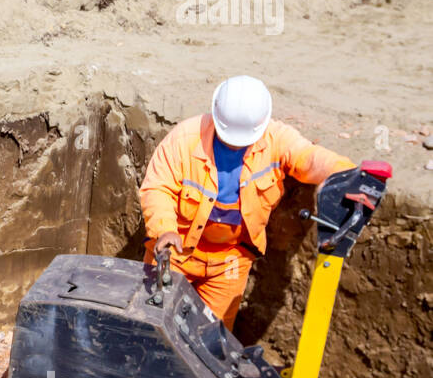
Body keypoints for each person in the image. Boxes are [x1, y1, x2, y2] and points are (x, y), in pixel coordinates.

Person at [139, 75, 353, 330]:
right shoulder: (184, 139)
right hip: (175, 252)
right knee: (155, 327)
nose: (233, 142)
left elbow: (309, 158)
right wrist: (165, 229)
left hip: (230, 259)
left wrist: (348, 174)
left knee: (212, 338)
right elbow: (157, 187)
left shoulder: (277, 139)